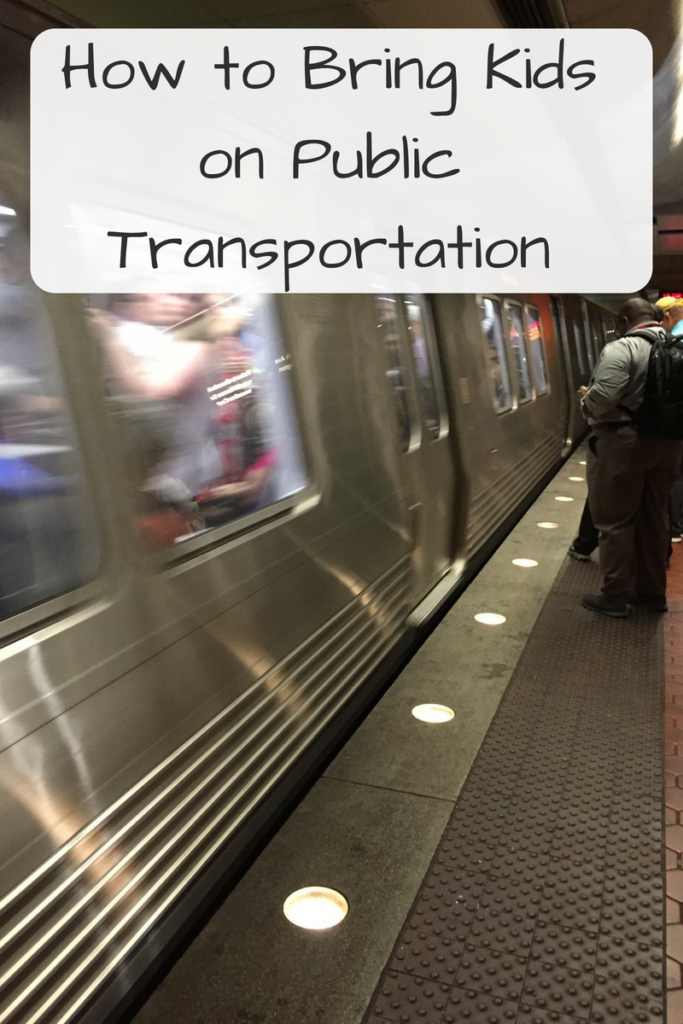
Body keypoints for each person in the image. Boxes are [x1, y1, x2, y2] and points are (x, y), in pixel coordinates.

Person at [580, 297, 683, 617]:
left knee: (615, 521)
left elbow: (604, 398)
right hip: (669, 446)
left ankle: (615, 595)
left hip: (624, 445)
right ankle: (652, 594)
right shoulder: (676, 347)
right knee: (655, 518)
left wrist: (586, 399)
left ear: (624, 322)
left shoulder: (621, 349)